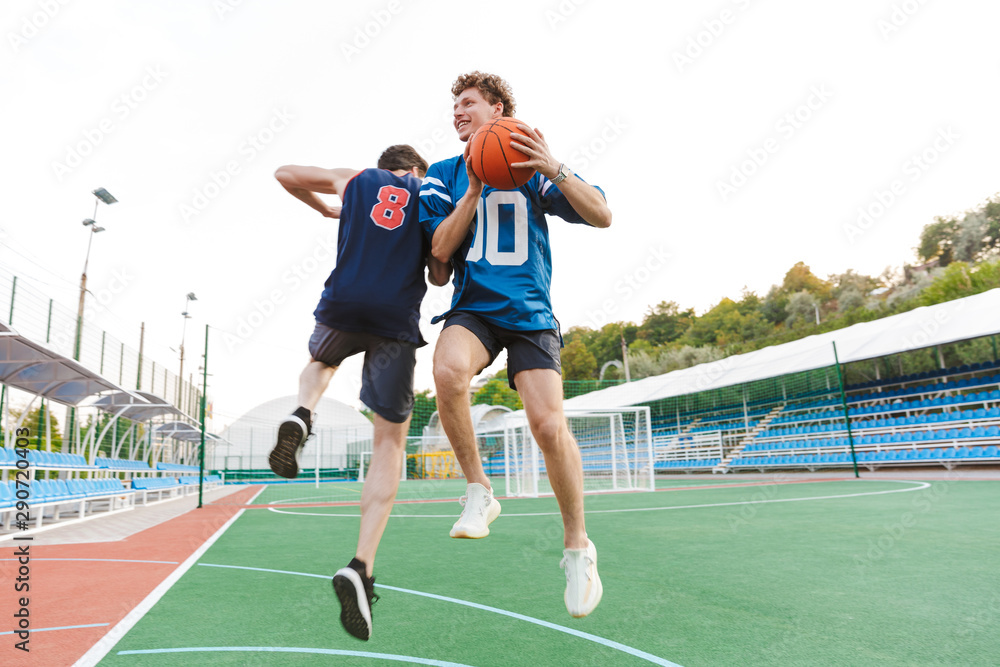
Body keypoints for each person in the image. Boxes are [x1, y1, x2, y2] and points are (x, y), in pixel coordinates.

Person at [420, 72, 612, 618]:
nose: (457, 112)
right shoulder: (443, 174)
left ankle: (578, 546)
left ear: (498, 109)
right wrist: (475, 190)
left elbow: (602, 214)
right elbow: (438, 253)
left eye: (467, 103)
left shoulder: (527, 162)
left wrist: (553, 166)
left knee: (548, 426)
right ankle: (479, 489)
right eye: (453, 105)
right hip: (474, 308)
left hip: (530, 314)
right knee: (449, 371)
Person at [269, 144, 450, 641]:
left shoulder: (355, 179)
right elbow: (437, 269)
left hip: (342, 305)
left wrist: (326, 205)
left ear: (385, 165)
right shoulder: (428, 192)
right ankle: (361, 565)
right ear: (416, 170)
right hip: (393, 321)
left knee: (320, 362)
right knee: (389, 441)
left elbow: (284, 172)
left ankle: (303, 413)